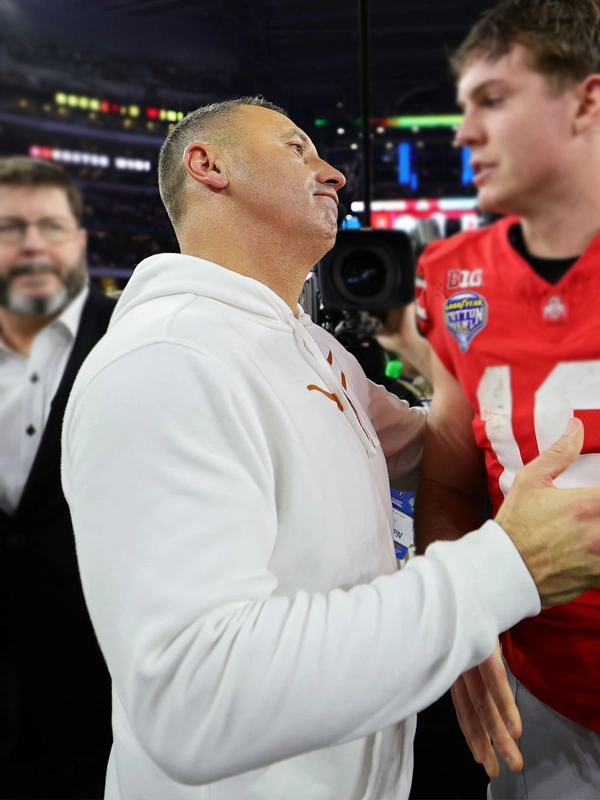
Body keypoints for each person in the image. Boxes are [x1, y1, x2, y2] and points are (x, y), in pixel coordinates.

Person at [61, 96, 600, 800]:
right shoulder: (166, 361)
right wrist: (500, 573)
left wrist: (492, 367)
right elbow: (195, 697)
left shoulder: (310, 349)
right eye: (296, 150)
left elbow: (445, 443)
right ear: (208, 165)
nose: (335, 173)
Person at [414, 1, 600, 798]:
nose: (463, 130)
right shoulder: (452, 273)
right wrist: (462, 618)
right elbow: (452, 483)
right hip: (540, 687)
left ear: (586, 103)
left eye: (492, 99)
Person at [0, 157, 114, 798]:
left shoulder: (138, 338)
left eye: (50, 226)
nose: (34, 244)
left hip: (98, 688)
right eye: (11, 227)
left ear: (78, 241)